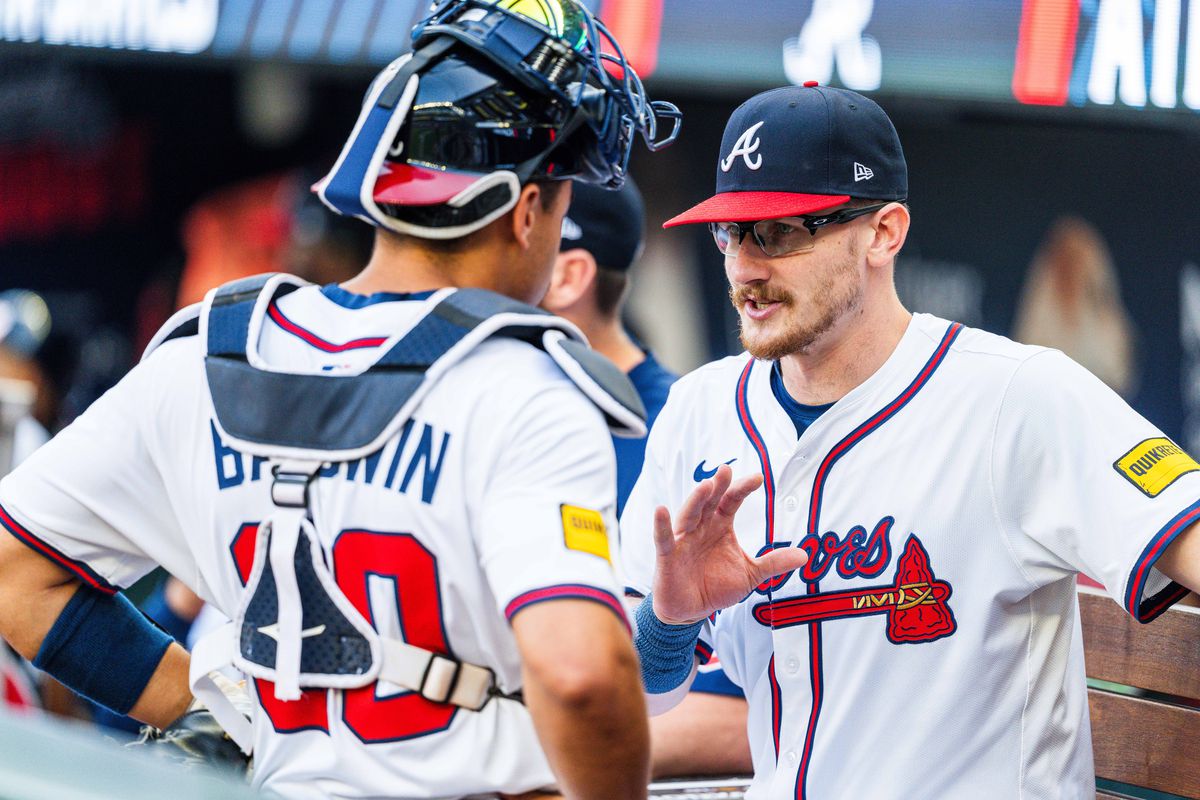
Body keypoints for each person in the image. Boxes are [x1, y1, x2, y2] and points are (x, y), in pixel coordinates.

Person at [0, 2, 681, 798]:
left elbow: (14, 571)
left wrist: (208, 703)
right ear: (526, 211)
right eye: (561, 204)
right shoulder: (525, 386)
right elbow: (581, 675)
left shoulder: (206, 352)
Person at [620, 82, 1200, 799]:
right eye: (731, 232)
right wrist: (669, 621)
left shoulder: (1017, 396)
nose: (746, 266)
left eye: (780, 231)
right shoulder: (698, 409)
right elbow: (641, 695)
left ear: (884, 232)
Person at [542, 180, 752, 778]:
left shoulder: (685, 435)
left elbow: (747, 719)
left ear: (567, 276)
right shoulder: (480, 417)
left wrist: (513, 753)